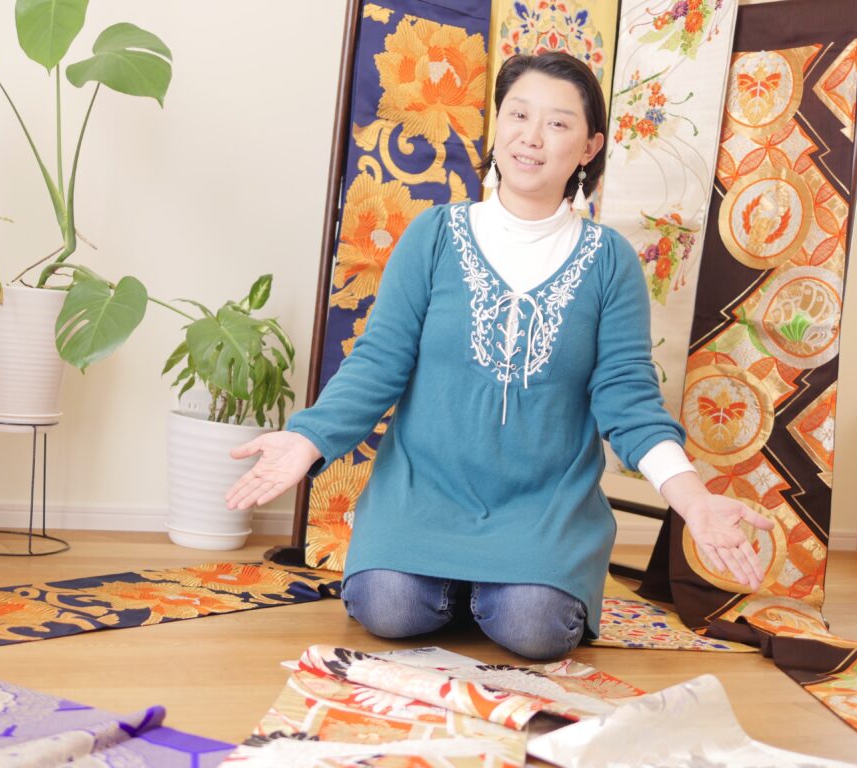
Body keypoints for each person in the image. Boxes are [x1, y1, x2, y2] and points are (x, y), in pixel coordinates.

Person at [224, 52, 773, 660]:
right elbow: (378, 361)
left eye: (558, 123)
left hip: (545, 508)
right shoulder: (433, 235)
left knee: (536, 628)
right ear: (498, 124)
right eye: (518, 114)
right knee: (389, 608)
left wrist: (693, 500)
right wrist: (308, 439)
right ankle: (463, 588)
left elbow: (628, 397)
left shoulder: (610, 261)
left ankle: (501, 588)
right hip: (422, 495)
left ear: (589, 147)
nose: (531, 137)